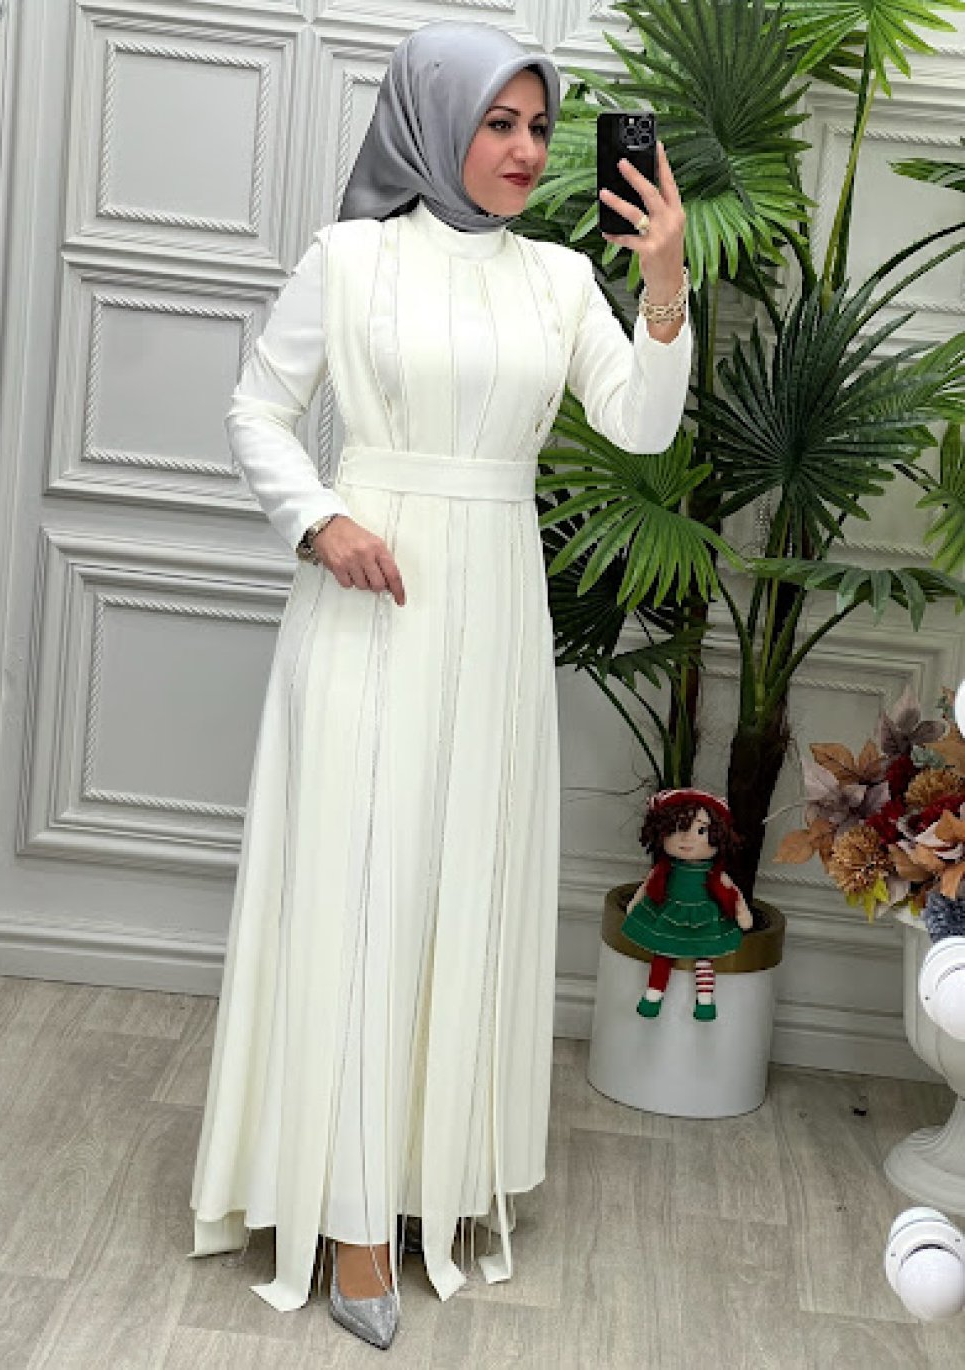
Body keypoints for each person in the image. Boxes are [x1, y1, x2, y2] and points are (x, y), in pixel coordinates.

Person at [188, 19, 692, 1351]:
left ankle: (426, 1175)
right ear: (431, 123)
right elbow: (255, 408)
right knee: (360, 886)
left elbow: (641, 423)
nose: (525, 150)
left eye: (540, 127)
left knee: (461, 877)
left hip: (496, 613)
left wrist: (663, 280)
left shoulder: (557, 281)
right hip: (369, 604)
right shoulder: (350, 259)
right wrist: (319, 519)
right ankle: (352, 1220)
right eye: (498, 122)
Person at [621, 789, 754, 1021]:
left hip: (704, 918)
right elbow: (648, 886)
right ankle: (653, 996)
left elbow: (732, 892)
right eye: (677, 829)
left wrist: (742, 913)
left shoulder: (714, 874)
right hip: (670, 913)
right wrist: (635, 903)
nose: (687, 839)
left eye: (701, 831)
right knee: (663, 953)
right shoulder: (665, 870)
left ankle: (705, 1001)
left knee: (704, 958)